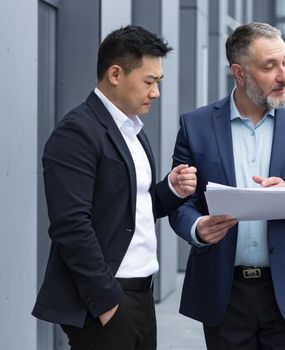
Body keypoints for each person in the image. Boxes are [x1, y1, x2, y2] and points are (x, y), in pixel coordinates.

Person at [169, 22, 285, 350]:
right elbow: (179, 201)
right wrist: (198, 227)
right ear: (239, 72)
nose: (284, 75)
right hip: (224, 293)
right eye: (269, 66)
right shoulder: (196, 125)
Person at [32, 25, 197, 350]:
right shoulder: (76, 133)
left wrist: (171, 189)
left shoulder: (132, 129)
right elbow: (70, 226)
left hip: (140, 296)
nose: (156, 93)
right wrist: (107, 303)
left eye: (158, 83)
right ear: (115, 74)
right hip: (106, 302)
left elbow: (131, 207)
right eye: (149, 82)